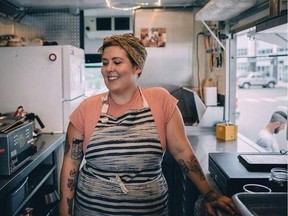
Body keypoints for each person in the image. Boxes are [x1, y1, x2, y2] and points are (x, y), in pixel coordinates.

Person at [59, 33, 237, 216]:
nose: (108, 69)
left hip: (149, 209)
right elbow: (71, 161)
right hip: (92, 210)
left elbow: (182, 150)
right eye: (105, 63)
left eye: (117, 62)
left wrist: (209, 193)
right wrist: (64, 212)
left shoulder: (160, 100)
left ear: (137, 67)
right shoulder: (87, 108)